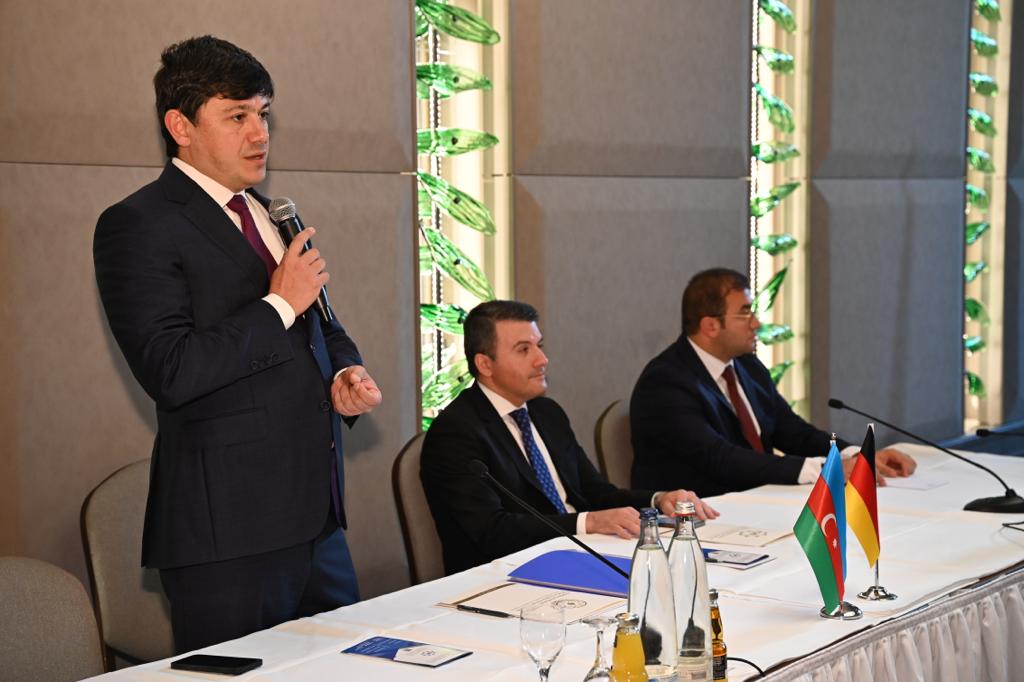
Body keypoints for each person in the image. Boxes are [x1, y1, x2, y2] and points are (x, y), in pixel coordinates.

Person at [93, 36, 382, 652]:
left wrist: (343, 372)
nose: (260, 133)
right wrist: (278, 305)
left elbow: (322, 324)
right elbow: (172, 369)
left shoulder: (272, 214)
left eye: (263, 113)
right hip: (228, 536)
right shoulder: (138, 224)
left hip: (318, 522)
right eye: (237, 116)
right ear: (181, 127)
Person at [420, 300, 717, 575]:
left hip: (581, 554)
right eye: (523, 350)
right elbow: (493, 531)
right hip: (509, 574)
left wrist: (658, 499)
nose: (542, 359)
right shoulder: (456, 432)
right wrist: (588, 522)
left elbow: (596, 493)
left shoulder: (547, 413)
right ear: (485, 364)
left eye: (539, 346)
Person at [631, 268, 915, 497]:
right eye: (745, 313)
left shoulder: (747, 366)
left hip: (758, 500)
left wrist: (855, 455)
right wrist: (827, 469)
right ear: (710, 326)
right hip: (698, 516)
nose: (756, 323)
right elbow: (719, 457)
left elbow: (792, 431)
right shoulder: (665, 382)